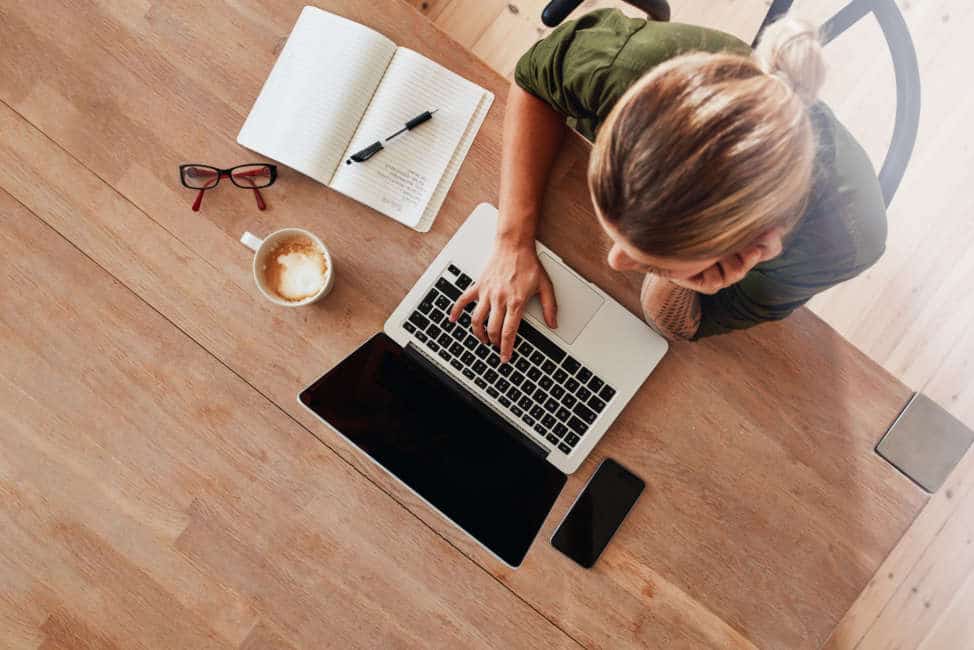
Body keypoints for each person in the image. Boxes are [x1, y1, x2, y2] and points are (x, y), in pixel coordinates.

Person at [449, 9, 887, 363]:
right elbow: (535, 79)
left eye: (653, 262)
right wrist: (512, 240)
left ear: (756, 249)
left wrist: (688, 285)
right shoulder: (628, 68)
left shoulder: (838, 246)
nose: (616, 260)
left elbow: (675, 324)